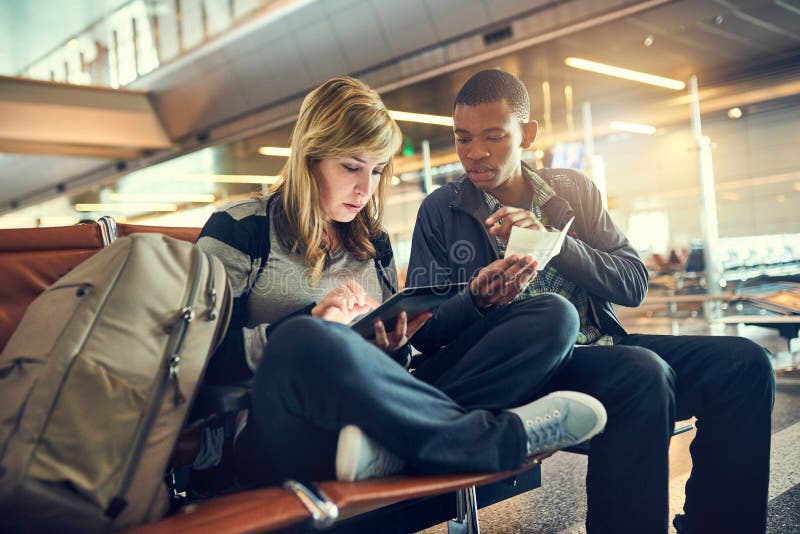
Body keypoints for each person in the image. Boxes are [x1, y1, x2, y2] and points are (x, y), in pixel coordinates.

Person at [406, 69, 775, 534]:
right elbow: (425, 331)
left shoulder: (573, 192)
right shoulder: (442, 210)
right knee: (641, 372)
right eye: (462, 139)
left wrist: (558, 244)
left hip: (601, 347)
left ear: (528, 134)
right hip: (522, 370)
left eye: (493, 137)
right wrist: (476, 299)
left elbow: (634, 283)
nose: (474, 152)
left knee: (746, 364)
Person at [194, 75, 606, 488]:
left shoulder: (370, 238)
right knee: (303, 338)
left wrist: (392, 344)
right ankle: (485, 439)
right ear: (309, 157)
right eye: (352, 167)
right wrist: (316, 322)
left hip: (378, 417)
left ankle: (396, 447)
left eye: (376, 171)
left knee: (552, 314)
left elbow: (399, 362)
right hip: (291, 426)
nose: (364, 188)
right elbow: (200, 359)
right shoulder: (240, 227)